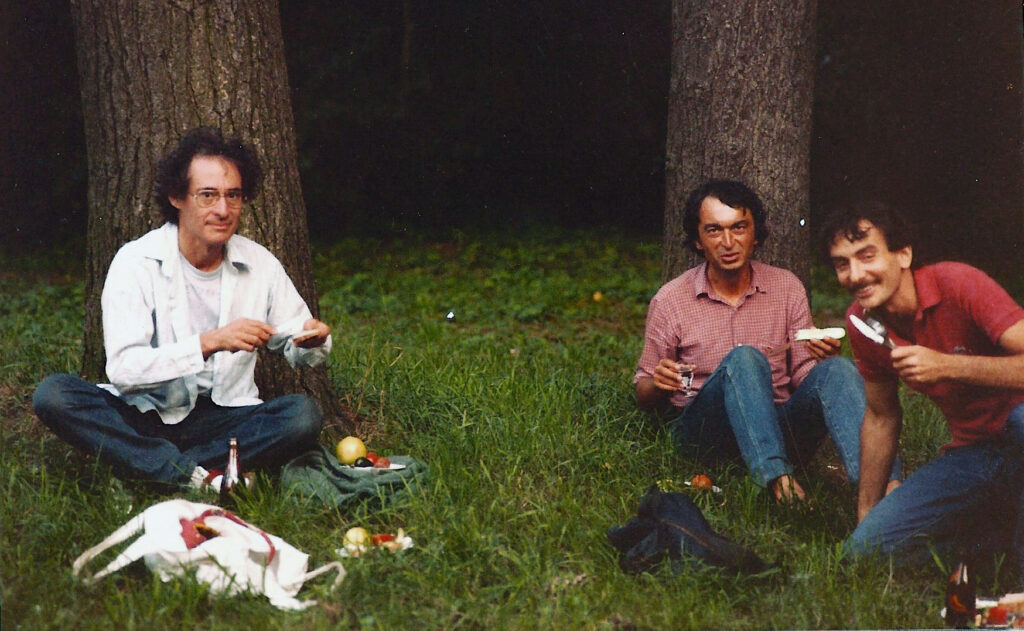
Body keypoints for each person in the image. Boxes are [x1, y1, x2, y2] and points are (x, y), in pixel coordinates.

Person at [33, 126, 331, 490]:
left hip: (226, 419)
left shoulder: (260, 263)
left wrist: (311, 342)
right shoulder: (136, 261)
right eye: (208, 195)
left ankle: (149, 469)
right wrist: (210, 342)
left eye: (233, 196)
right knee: (54, 395)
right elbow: (124, 370)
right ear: (177, 197)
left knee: (302, 416)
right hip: (144, 415)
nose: (223, 210)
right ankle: (204, 476)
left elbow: (296, 341)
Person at [634, 179, 875, 502]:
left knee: (840, 369)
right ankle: (777, 481)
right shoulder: (671, 301)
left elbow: (804, 374)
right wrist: (658, 383)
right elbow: (643, 391)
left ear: (755, 235)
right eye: (714, 230)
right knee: (744, 359)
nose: (728, 242)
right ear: (698, 241)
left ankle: (881, 485)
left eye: (739, 228)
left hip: (779, 427)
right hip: (706, 435)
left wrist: (821, 359)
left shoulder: (786, 288)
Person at [822, 201, 1024, 569]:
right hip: (975, 454)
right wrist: (866, 512)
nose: (855, 274)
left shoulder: (958, 283)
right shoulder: (864, 323)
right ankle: (1003, 535)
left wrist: (949, 366)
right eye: (842, 263)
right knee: (864, 555)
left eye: (867, 256)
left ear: (903, 254)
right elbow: (881, 416)